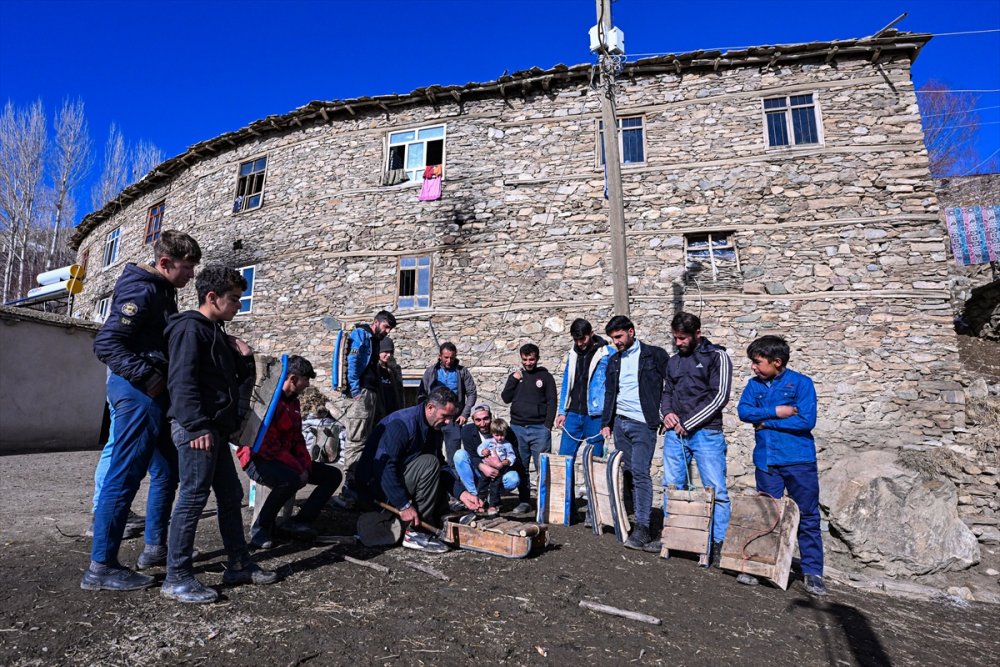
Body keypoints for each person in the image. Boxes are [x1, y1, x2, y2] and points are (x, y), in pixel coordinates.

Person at [81, 231, 201, 592]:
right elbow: (107, 342)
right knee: (124, 475)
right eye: (187, 268)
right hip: (137, 392)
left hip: (153, 393)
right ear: (165, 263)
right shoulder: (143, 289)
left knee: (167, 471)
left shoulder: (163, 290)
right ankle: (101, 566)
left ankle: (153, 547)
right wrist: (148, 377)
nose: (191, 276)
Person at [161, 265, 277, 604]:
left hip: (213, 431)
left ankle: (238, 563)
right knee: (193, 499)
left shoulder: (216, 333)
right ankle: (177, 576)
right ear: (212, 297)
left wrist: (245, 359)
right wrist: (196, 424)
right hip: (197, 430)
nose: (239, 305)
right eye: (234, 299)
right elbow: (181, 381)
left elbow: (229, 382)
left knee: (230, 496)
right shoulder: (189, 330)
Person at [736, 335, 826, 595]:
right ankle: (760, 566)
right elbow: (744, 412)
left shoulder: (801, 384)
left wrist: (767, 422)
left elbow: (806, 421)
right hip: (767, 461)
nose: (753, 367)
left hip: (799, 461)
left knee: (807, 516)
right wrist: (777, 412)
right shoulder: (754, 386)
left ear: (777, 362)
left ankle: (812, 572)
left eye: (758, 362)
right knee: (767, 514)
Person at [354, 386, 480, 553]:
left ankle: (440, 516)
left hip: (397, 479)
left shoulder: (434, 428)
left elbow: (442, 468)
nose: (449, 422)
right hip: (375, 489)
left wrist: (461, 493)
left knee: (433, 465)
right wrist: (404, 505)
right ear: (430, 408)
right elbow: (384, 468)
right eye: (445, 416)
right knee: (429, 463)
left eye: (451, 417)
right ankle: (415, 532)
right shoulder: (401, 424)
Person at [237, 355, 344, 549]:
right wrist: (298, 469)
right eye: (306, 380)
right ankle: (260, 529)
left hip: (285, 459)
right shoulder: (268, 402)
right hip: (258, 459)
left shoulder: (293, 403)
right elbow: (268, 447)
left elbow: (297, 439)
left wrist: (304, 465)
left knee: (333, 475)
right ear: (293, 379)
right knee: (290, 480)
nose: (307, 385)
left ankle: (299, 522)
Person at [659, 311, 733, 568]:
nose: (678, 342)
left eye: (683, 338)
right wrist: (667, 414)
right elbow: (666, 391)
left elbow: (719, 396)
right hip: (674, 433)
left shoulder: (717, 357)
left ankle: (718, 543)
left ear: (697, 334)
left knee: (717, 490)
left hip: (706, 433)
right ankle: (674, 536)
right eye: (675, 338)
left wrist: (688, 423)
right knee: (672, 485)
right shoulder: (673, 362)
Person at [600, 316, 669, 552]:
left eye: (618, 337)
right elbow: (611, 392)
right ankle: (630, 519)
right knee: (627, 473)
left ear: (631, 331)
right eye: (612, 338)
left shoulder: (654, 355)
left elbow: (671, 385)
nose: (615, 342)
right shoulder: (614, 361)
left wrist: (664, 414)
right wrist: (606, 422)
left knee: (640, 472)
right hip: (620, 423)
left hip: (643, 424)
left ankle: (643, 527)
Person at [337, 310, 396, 508]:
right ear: (376, 322)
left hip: (370, 393)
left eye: (389, 328)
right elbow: (353, 361)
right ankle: (349, 487)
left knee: (367, 438)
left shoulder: (375, 339)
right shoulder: (362, 334)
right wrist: (355, 390)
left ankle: (362, 483)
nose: (387, 331)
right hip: (361, 392)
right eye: (386, 326)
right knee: (356, 440)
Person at [501, 343, 557, 501]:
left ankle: (544, 503)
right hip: (518, 428)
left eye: (531, 359)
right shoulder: (516, 376)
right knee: (521, 467)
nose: (528, 363)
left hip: (539, 429)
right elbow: (505, 398)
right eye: (525, 359)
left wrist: (548, 425)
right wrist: (513, 379)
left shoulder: (545, 377)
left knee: (543, 467)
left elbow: (552, 401)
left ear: (537, 359)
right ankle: (524, 501)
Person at [455, 404, 531, 515]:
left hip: (501, 471)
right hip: (481, 470)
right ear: (473, 420)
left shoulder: (504, 431)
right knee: (459, 455)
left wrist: (502, 463)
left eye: (486, 419)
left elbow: (515, 456)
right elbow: (472, 454)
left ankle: (495, 499)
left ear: (491, 417)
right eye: (478, 420)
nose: (483, 423)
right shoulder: (467, 431)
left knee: (513, 478)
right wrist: (483, 466)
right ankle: (475, 496)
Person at [555, 318, 614, 458]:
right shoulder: (572, 354)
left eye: (583, 338)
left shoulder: (607, 354)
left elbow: (614, 386)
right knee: (564, 458)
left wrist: (608, 418)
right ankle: (568, 481)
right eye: (576, 339)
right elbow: (566, 383)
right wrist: (562, 411)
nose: (579, 343)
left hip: (595, 415)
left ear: (591, 333)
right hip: (573, 414)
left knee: (594, 460)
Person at [417, 342, 478, 464]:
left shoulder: (462, 372)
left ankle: (453, 480)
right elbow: (421, 394)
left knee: (454, 457)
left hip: (453, 420)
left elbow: (472, 393)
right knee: (432, 454)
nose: (449, 360)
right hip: (434, 420)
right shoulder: (431, 372)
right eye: (446, 357)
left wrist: (465, 414)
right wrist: (425, 415)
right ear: (440, 356)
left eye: (452, 357)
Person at [474, 418, 519, 516]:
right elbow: (479, 448)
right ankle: (480, 502)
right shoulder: (488, 442)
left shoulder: (507, 444)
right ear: (492, 433)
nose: (499, 438)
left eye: (502, 435)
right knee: (482, 485)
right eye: (496, 435)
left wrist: (506, 461)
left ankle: (493, 505)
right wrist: (483, 452)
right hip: (487, 468)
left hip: (499, 470)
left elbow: (512, 456)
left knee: (495, 487)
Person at [378, 337, 405, 416]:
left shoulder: (393, 371)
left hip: (393, 412)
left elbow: (399, 392)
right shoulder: (374, 370)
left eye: (391, 352)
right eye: (386, 352)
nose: (389, 355)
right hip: (379, 413)